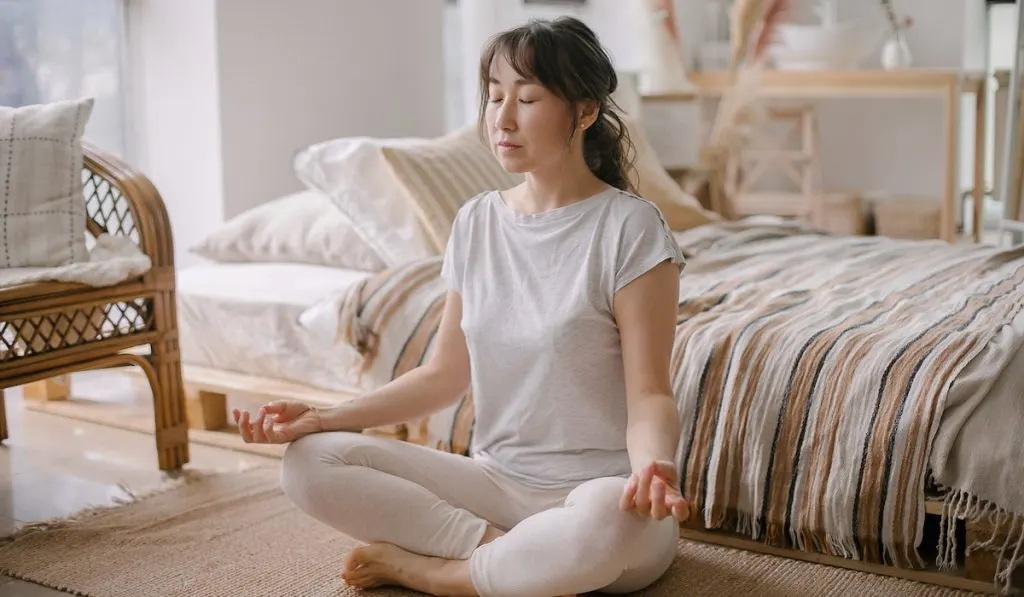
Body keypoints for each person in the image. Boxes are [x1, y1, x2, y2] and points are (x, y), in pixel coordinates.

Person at [233, 16, 690, 597]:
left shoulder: (630, 228)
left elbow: (650, 391)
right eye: (494, 97)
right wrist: (323, 417)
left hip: (599, 493)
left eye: (526, 99)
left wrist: (655, 465)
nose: (501, 118)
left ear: (584, 112)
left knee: (606, 520)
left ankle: (433, 571)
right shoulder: (476, 221)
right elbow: (444, 376)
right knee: (307, 462)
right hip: (494, 484)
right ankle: (505, 558)